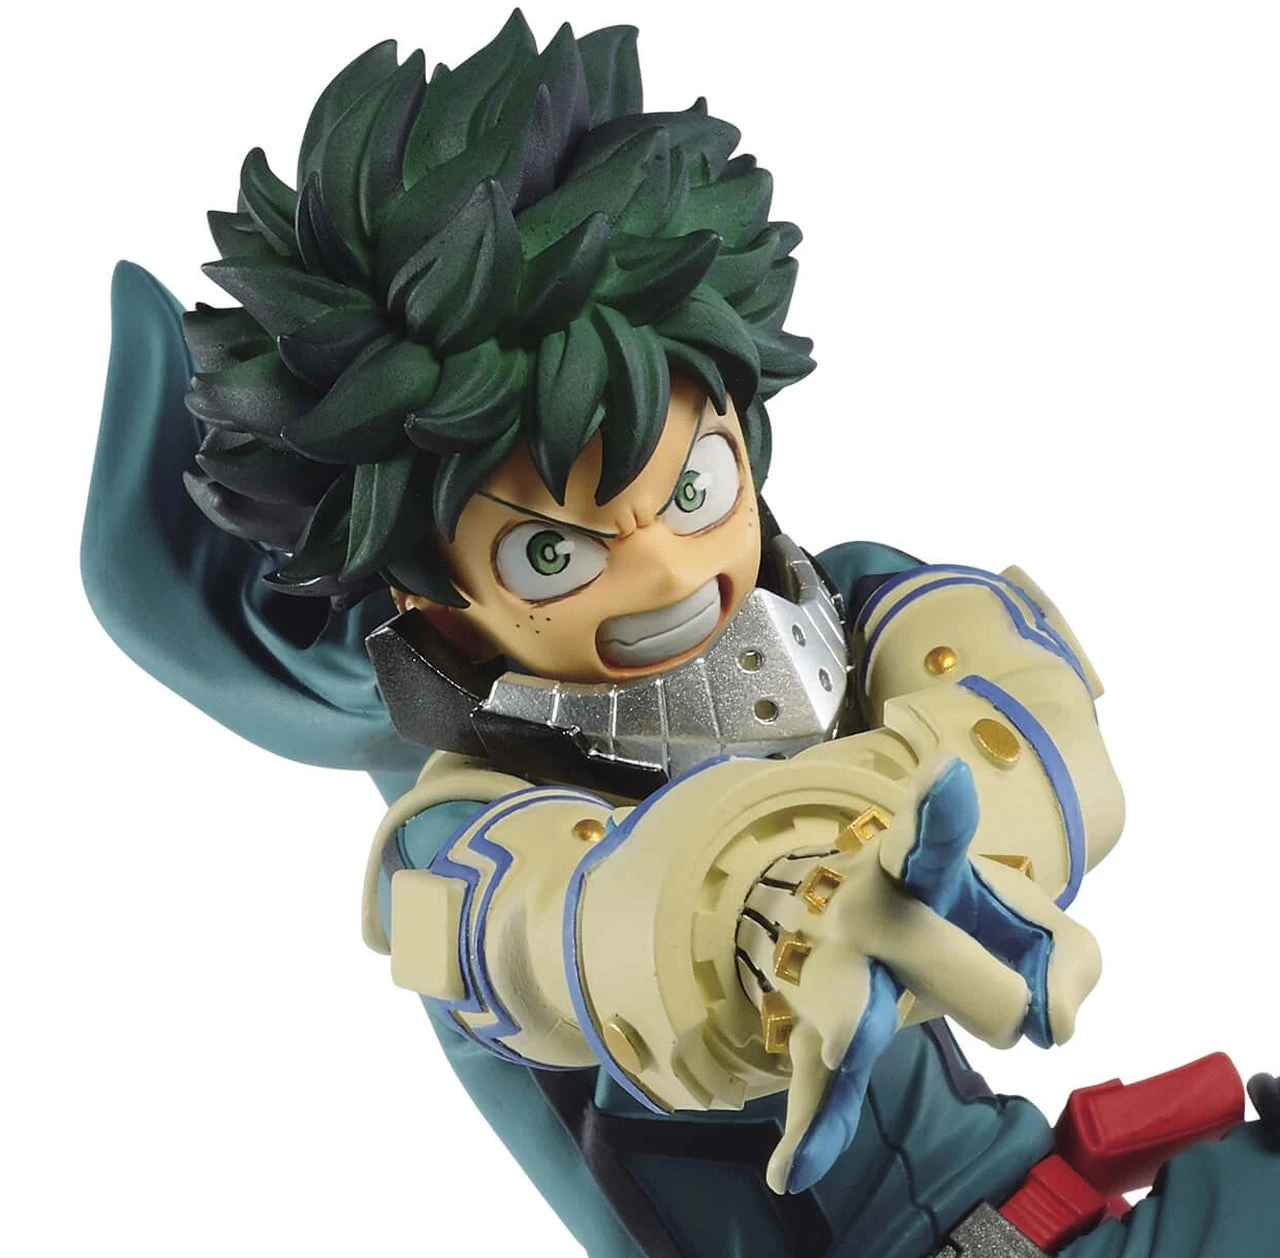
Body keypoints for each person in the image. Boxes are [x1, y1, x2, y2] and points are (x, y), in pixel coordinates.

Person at [82, 13, 1278, 1256]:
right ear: (434, 603)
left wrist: (916, 839)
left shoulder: (850, 603)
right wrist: (772, 916)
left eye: (693, 486)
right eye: (552, 553)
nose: (663, 566)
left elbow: (1025, 714)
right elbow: (578, 930)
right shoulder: (450, 845)